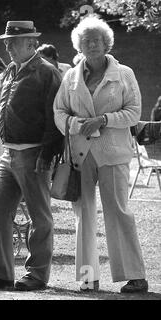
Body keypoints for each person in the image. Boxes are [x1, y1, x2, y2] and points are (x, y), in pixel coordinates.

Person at [53, 16, 148, 294]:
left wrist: (104, 119)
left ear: (107, 43)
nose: (92, 44)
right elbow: (59, 112)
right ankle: (87, 277)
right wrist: (73, 125)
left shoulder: (124, 74)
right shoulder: (70, 76)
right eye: (86, 40)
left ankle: (135, 276)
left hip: (113, 153)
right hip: (81, 154)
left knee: (118, 212)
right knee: (83, 214)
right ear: (78, 45)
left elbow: (134, 112)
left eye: (97, 40)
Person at [0, 21, 64, 291]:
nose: (7, 46)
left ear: (31, 43)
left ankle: (37, 275)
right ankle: (1, 273)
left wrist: (47, 153)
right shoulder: (11, 70)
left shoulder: (47, 72)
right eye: (6, 42)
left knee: (40, 216)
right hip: (9, 155)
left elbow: (54, 118)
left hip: (34, 154)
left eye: (13, 42)